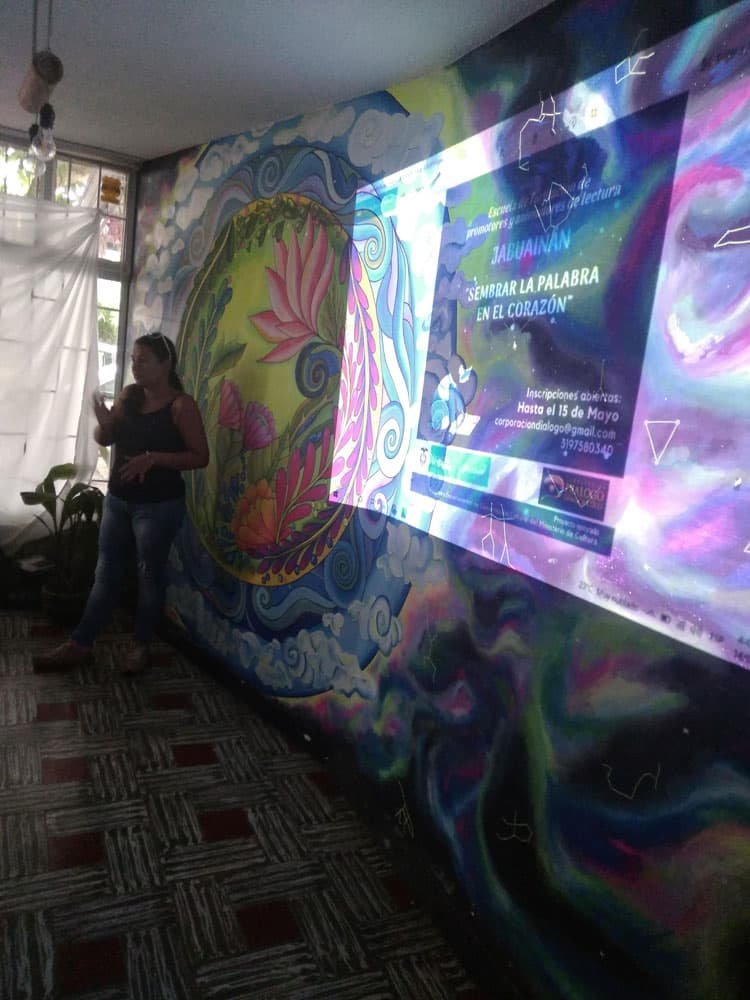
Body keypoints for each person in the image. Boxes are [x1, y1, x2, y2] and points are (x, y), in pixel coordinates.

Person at [33, 332, 209, 674]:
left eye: (143, 360)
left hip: (158, 507)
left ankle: (140, 646)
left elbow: (201, 456)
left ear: (165, 364)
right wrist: (103, 421)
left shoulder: (181, 406)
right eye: (132, 360)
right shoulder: (129, 395)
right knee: (105, 573)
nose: (135, 366)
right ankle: (80, 644)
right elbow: (107, 437)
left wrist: (153, 458)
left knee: (149, 577)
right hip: (118, 501)